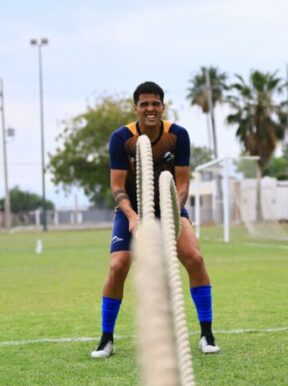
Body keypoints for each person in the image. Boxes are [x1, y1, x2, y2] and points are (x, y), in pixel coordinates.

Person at [91, 81, 219, 359]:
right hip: (131, 210)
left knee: (195, 258)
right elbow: (117, 186)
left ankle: (207, 334)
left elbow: (182, 184)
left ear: (162, 106)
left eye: (155, 104)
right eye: (144, 104)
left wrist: (174, 213)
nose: (150, 109)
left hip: (170, 206)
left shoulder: (177, 135)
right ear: (135, 108)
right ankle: (106, 338)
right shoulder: (121, 138)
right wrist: (133, 217)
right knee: (118, 265)